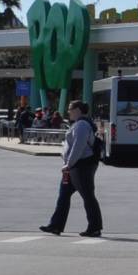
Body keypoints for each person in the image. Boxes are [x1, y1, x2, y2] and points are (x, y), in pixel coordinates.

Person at [41, 100, 103, 236]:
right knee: (63, 195)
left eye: (70, 109)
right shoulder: (78, 124)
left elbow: (78, 147)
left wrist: (68, 164)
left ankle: (95, 227)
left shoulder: (81, 125)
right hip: (76, 165)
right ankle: (55, 225)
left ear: (78, 110)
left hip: (81, 166)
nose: (68, 112)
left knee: (88, 195)